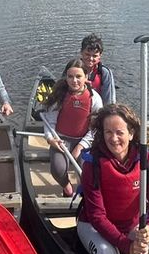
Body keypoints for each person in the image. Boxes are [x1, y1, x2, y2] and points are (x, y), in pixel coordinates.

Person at [77, 103, 149, 254]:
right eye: (108, 132)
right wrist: (125, 245)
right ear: (102, 134)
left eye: (119, 132)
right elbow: (97, 215)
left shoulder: (145, 159)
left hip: (130, 225)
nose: (114, 138)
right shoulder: (92, 163)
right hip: (92, 225)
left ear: (131, 134)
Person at [40, 58, 104, 197]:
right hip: (61, 139)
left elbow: (95, 128)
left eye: (78, 76)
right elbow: (49, 122)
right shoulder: (60, 96)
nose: (74, 81)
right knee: (58, 170)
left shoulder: (95, 99)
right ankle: (67, 187)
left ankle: (86, 193)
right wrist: (51, 139)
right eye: (70, 76)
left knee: (87, 171)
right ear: (66, 77)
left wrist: (81, 146)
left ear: (86, 77)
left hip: (84, 140)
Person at [80, 34, 116, 104]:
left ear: (100, 56)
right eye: (87, 54)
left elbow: (108, 100)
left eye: (94, 56)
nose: (90, 59)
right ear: (81, 52)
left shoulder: (104, 73)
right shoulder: (73, 68)